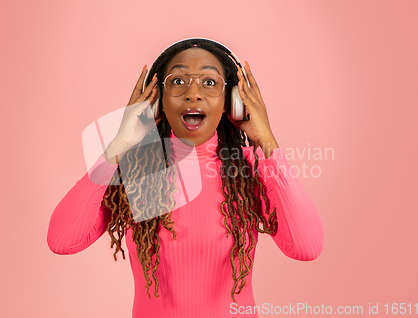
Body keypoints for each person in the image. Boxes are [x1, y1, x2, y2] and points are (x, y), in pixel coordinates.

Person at [47, 38, 323, 318]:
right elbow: (62, 240)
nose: (193, 93)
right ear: (157, 102)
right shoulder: (135, 172)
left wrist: (266, 142)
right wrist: (118, 145)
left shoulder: (251, 170)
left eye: (210, 82)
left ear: (232, 102)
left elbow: (306, 247)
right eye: (178, 81)